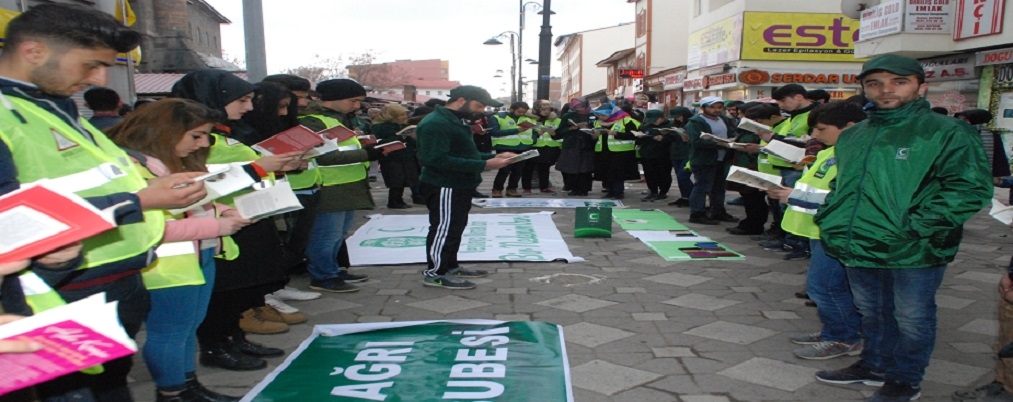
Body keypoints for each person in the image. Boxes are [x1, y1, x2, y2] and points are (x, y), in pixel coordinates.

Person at [0, 5, 214, 401]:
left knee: (110, 387)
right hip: (55, 293)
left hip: (116, 279)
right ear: (33, 52)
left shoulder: (55, 109)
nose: (99, 79)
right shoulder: (8, 113)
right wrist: (138, 200)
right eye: (91, 65)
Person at [813, 54, 992, 402]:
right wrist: (832, 216)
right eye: (875, 83)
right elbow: (844, 185)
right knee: (872, 311)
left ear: (920, 86)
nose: (886, 90)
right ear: (864, 88)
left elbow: (969, 189)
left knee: (912, 318)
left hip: (914, 247)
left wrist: (913, 227)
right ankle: (874, 365)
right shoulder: (854, 135)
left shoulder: (947, 132)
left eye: (899, 81)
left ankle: (905, 380)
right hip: (859, 243)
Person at [108, 98, 253, 402]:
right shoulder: (132, 166)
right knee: (170, 332)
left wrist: (221, 210)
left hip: (197, 255)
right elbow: (150, 227)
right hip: (166, 264)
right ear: (165, 131)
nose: (202, 144)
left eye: (206, 136)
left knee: (188, 328)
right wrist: (215, 227)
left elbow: (192, 202)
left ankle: (189, 385)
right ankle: (172, 392)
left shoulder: (167, 160)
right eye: (196, 136)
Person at [171, 69, 306, 371]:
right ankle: (215, 346)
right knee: (224, 289)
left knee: (241, 286)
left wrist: (278, 167)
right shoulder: (183, 136)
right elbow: (198, 180)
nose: (248, 107)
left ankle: (233, 336)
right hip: (215, 221)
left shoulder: (229, 131)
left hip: (245, 213)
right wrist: (258, 167)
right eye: (242, 100)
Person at [767, 101, 866, 361]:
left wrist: (796, 195)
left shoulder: (859, 155)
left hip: (836, 230)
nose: (814, 136)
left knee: (825, 286)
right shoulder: (833, 150)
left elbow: (846, 197)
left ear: (850, 127)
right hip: (818, 227)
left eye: (821, 129)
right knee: (824, 285)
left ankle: (844, 338)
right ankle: (834, 330)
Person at [416, 85, 512, 289]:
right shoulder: (437, 123)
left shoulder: (455, 120)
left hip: (458, 184)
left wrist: (493, 157)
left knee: (454, 228)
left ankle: (450, 266)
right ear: (461, 100)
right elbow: (435, 159)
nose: (481, 111)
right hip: (444, 184)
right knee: (444, 228)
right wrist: (485, 164)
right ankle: (436, 273)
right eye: (479, 105)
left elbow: (463, 153)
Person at [295, 79, 381, 292]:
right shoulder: (312, 121)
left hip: (346, 183)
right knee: (326, 235)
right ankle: (323, 275)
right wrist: (366, 153)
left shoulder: (340, 119)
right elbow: (322, 156)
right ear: (334, 99)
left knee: (339, 233)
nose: (357, 106)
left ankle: (333, 268)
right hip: (328, 184)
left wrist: (362, 144)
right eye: (353, 101)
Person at [771, 84, 818, 260]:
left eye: (783, 101)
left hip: (800, 167)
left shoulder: (813, 115)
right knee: (786, 206)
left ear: (799, 97)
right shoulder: (793, 117)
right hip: (784, 164)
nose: (781, 106)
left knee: (799, 205)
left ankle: (801, 244)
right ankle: (790, 239)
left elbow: (812, 143)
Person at [685, 96, 737, 225]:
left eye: (719, 107)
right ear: (703, 108)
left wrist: (733, 141)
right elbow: (696, 141)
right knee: (702, 186)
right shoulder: (696, 122)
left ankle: (718, 211)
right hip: (703, 159)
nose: (716, 110)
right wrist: (719, 144)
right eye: (712, 107)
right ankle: (697, 213)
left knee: (719, 187)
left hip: (722, 158)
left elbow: (731, 134)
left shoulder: (723, 120)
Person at [722, 102, 766, 235]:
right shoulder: (744, 129)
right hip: (742, 164)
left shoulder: (759, 131)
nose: (739, 117)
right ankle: (750, 223)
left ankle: (754, 225)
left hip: (752, 166)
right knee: (749, 198)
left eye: (741, 114)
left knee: (755, 199)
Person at [372, 103, 420, 209]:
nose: (404, 117)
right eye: (401, 115)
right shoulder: (379, 127)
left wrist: (413, 137)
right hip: (390, 156)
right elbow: (378, 141)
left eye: (405, 114)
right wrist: (400, 137)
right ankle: (394, 201)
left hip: (406, 156)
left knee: (405, 178)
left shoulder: (403, 125)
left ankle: (399, 200)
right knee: (395, 180)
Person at [592, 103, 641, 200]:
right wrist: (594, 136)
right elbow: (596, 138)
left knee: (618, 174)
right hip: (603, 151)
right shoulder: (597, 122)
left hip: (621, 152)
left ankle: (618, 192)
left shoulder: (627, 121)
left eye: (604, 115)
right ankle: (610, 191)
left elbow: (635, 135)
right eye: (599, 115)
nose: (601, 117)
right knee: (607, 173)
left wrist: (617, 134)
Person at [488, 102, 534, 198]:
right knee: (504, 169)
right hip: (505, 146)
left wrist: (533, 140)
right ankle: (497, 189)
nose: (521, 114)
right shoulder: (498, 117)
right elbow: (494, 132)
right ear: (511, 109)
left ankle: (512, 189)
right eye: (519, 111)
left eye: (524, 112)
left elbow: (533, 131)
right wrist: (517, 130)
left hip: (523, 146)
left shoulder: (527, 119)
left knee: (518, 170)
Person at [555, 98, 597, 197]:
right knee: (571, 169)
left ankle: (584, 189)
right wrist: (571, 128)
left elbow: (598, 127)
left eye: (582, 107)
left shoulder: (593, 115)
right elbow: (559, 132)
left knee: (586, 169)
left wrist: (589, 129)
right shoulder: (568, 116)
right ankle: (574, 188)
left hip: (587, 144)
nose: (580, 109)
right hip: (571, 145)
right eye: (577, 107)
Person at [521, 100, 562, 194]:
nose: (546, 111)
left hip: (549, 147)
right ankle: (527, 188)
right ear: (537, 109)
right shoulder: (527, 119)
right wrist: (536, 133)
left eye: (549, 109)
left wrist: (554, 134)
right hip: (532, 146)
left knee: (544, 167)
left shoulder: (556, 119)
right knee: (528, 167)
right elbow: (522, 132)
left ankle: (544, 187)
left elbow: (561, 134)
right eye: (543, 109)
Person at [637, 109, 674, 202]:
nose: (653, 122)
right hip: (647, 154)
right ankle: (653, 191)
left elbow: (674, 140)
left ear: (662, 118)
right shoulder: (645, 127)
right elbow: (638, 141)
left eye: (655, 120)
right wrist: (640, 137)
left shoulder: (670, 127)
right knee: (649, 174)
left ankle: (663, 192)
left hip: (663, 154)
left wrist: (663, 138)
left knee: (663, 174)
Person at [667, 107, 695, 207]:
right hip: (675, 153)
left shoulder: (691, 124)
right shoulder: (674, 124)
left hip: (687, 153)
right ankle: (684, 197)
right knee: (679, 177)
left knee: (683, 176)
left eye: (679, 117)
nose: (677, 119)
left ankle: (693, 197)